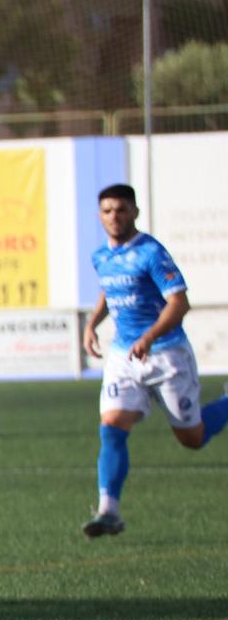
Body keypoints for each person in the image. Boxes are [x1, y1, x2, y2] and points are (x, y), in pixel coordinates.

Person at [80, 182, 228, 538]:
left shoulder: (151, 252)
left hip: (167, 355)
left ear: (135, 212)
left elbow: (179, 302)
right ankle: (108, 511)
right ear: (100, 216)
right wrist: (92, 323)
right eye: (107, 211)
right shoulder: (102, 256)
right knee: (112, 425)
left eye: (121, 209)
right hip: (123, 356)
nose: (114, 216)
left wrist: (150, 336)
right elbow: (109, 288)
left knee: (192, 438)